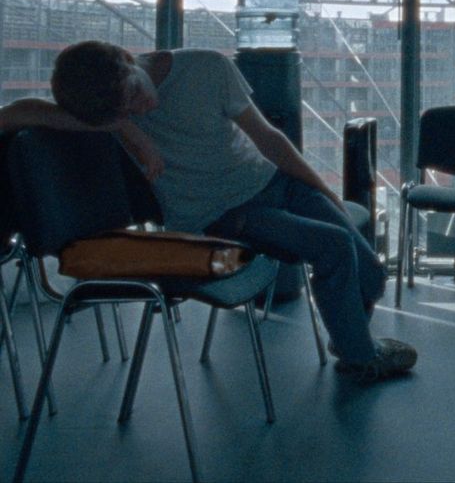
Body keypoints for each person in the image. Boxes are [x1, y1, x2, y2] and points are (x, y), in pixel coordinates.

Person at [0, 40, 416, 382]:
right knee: (335, 244)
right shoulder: (109, 109)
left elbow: (267, 139)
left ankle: (349, 339)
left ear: (129, 58)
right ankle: (362, 358)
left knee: (370, 271)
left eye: (134, 96)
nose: (141, 109)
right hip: (219, 214)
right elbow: (17, 114)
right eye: (126, 113)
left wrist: (322, 190)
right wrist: (123, 127)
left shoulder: (206, 67)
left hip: (271, 181)